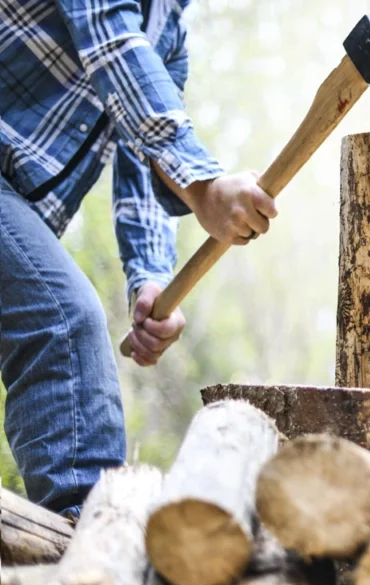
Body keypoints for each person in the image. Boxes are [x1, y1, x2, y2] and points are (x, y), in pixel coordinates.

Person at [0, 0, 277, 519]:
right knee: (61, 320)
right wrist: (205, 185)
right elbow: (110, 43)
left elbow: (143, 164)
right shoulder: (129, 31)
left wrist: (150, 277)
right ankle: (87, 542)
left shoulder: (167, 32)